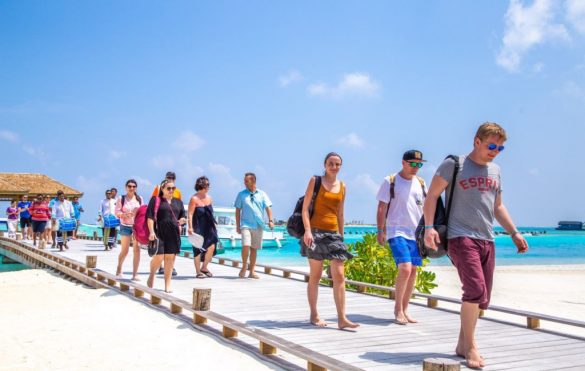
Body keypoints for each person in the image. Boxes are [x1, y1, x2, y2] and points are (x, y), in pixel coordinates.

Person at [423, 122, 528, 369]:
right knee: (475, 290)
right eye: (491, 145)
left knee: (483, 298)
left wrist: (514, 233)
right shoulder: (454, 165)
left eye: (500, 148)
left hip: (487, 238)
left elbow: (498, 206)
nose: (495, 151)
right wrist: (429, 228)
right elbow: (432, 195)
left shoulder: (495, 170)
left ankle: (461, 343)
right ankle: (471, 347)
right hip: (460, 237)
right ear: (477, 141)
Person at [300, 152, 358, 329]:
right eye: (331, 164)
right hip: (315, 233)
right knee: (316, 276)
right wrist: (308, 231)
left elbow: (340, 213)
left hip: (334, 234)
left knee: (339, 275)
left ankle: (342, 318)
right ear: (325, 165)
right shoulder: (315, 181)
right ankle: (314, 314)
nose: (334, 167)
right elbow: (304, 209)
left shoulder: (343, 186)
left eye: (337, 164)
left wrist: (342, 236)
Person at [376, 150, 427, 325]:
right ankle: (397, 309)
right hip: (396, 231)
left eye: (419, 164)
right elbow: (382, 207)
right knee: (405, 268)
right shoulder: (390, 181)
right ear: (403, 162)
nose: (416, 168)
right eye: (413, 164)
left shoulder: (421, 183)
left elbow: (426, 208)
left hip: (416, 234)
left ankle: (405, 309)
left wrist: (429, 230)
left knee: (413, 271)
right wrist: (380, 230)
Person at [146, 179, 187, 293]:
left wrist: (182, 220)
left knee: (169, 259)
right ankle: (152, 274)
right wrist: (151, 232)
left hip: (173, 233)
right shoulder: (156, 200)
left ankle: (167, 285)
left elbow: (182, 216)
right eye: (168, 188)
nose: (171, 190)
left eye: (173, 188)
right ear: (162, 189)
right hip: (159, 232)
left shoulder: (178, 202)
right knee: (159, 257)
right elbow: (149, 217)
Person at [234, 172, 274, 279]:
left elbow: (268, 208)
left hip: (258, 224)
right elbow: (237, 210)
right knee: (246, 245)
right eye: (244, 180)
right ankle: (243, 267)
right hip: (245, 224)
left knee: (254, 249)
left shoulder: (262, 194)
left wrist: (270, 220)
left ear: (253, 181)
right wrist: (237, 225)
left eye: (247, 181)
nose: (244, 182)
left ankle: (252, 271)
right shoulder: (241, 194)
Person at [152, 171, 182, 276]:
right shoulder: (158, 188)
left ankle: (171, 266)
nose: (170, 179)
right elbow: (154, 203)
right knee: (161, 246)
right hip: (161, 221)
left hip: (173, 223)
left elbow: (178, 208)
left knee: (173, 246)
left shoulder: (177, 191)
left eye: (172, 178)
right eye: (168, 177)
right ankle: (161, 267)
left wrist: (180, 223)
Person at [187, 176, 218, 278]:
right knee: (197, 249)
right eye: (207, 185)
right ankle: (198, 271)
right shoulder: (194, 199)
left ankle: (204, 267)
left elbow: (211, 213)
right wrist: (190, 227)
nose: (209, 187)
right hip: (198, 226)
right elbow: (190, 214)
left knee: (212, 246)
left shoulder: (209, 198)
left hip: (209, 227)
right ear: (202, 185)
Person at [115, 179, 143, 280]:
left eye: (133, 186)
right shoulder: (121, 199)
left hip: (136, 227)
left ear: (136, 188)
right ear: (126, 187)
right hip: (125, 225)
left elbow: (142, 212)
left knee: (137, 250)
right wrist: (123, 215)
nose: (131, 188)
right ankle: (119, 268)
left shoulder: (139, 199)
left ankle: (135, 274)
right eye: (129, 186)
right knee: (125, 250)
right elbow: (117, 212)